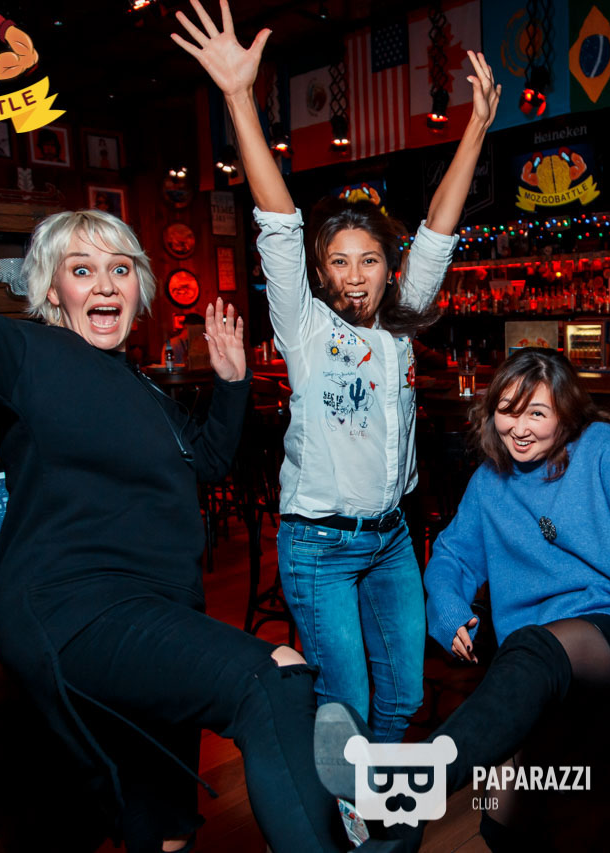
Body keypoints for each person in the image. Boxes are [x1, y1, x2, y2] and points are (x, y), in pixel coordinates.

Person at [0, 201, 352, 853]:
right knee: (274, 677)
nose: (105, 284)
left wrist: (232, 384)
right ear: (52, 290)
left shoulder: (141, 386)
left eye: (120, 269)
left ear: (138, 288)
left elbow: (207, 461)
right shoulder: (29, 353)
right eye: (82, 270)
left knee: (163, 825)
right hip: (81, 610)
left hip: (157, 613)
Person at [174, 0, 500, 743]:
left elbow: (439, 229)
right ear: (320, 273)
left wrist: (478, 127)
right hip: (319, 544)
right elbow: (278, 222)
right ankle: (349, 804)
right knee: (345, 705)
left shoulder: (402, 321)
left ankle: (375, 797)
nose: (355, 276)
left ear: (389, 268)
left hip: (392, 538)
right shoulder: (305, 326)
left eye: (370, 260)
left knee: (404, 696)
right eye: (340, 263)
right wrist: (238, 97)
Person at [312, 348, 610, 850]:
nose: (519, 429)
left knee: (536, 649)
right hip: (530, 661)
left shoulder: (602, 446)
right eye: (507, 411)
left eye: (537, 413)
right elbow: (451, 557)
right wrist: (450, 610)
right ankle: (398, 826)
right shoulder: (489, 482)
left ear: (565, 412)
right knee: (500, 823)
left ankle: (410, 778)